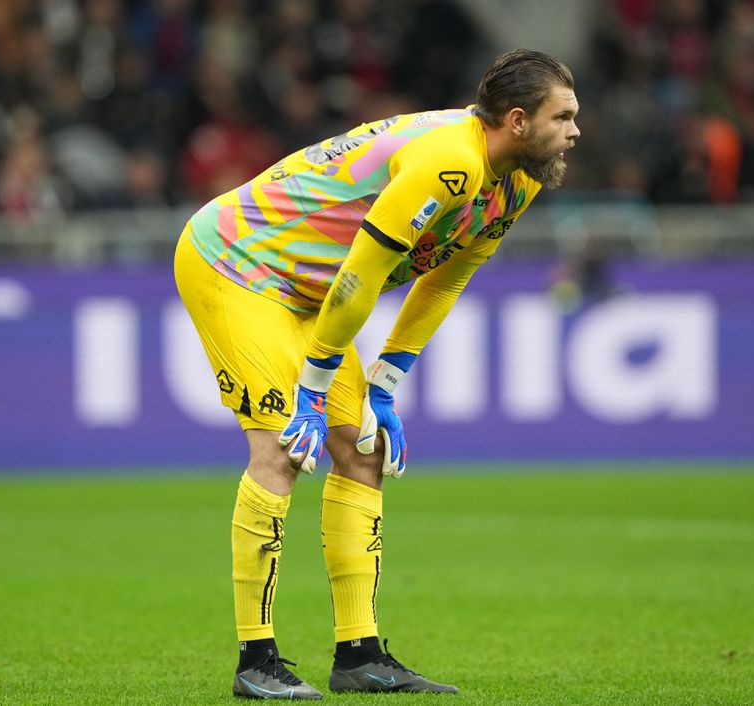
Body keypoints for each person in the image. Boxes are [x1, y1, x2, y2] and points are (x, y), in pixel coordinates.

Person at [173, 48, 579, 699]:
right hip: (239, 263)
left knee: (361, 450)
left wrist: (387, 381)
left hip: (311, 290)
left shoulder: (517, 180)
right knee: (281, 448)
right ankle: (256, 661)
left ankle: (358, 655)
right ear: (518, 120)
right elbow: (362, 274)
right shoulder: (450, 160)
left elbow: (447, 279)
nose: (576, 130)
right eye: (563, 115)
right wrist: (310, 390)